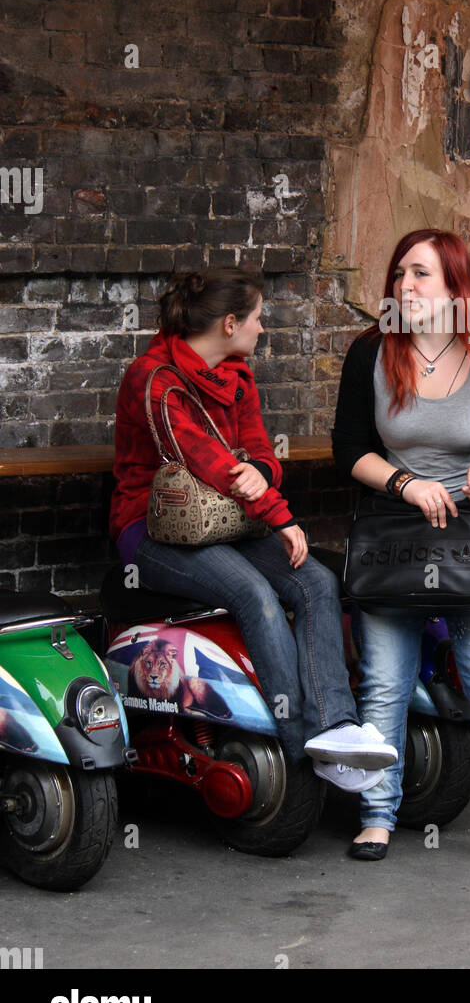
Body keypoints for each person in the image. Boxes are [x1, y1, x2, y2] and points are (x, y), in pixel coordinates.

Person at [109, 266, 396, 794]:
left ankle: (336, 727)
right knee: (255, 594)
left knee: (315, 582)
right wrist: (280, 516)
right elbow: (206, 462)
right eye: (258, 319)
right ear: (229, 323)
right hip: (152, 532)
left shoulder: (236, 373)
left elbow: (260, 453)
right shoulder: (153, 380)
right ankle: (298, 743)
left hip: (229, 519)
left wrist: (262, 473)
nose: (263, 330)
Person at [331, 229, 470, 872]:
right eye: (399, 273)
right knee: (384, 686)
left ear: (456, 283)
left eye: (421, 274)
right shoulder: (371, 353)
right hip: (392, 538)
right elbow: (351, 450)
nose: (405, 285)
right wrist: (408, 483)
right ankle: (377, 816)